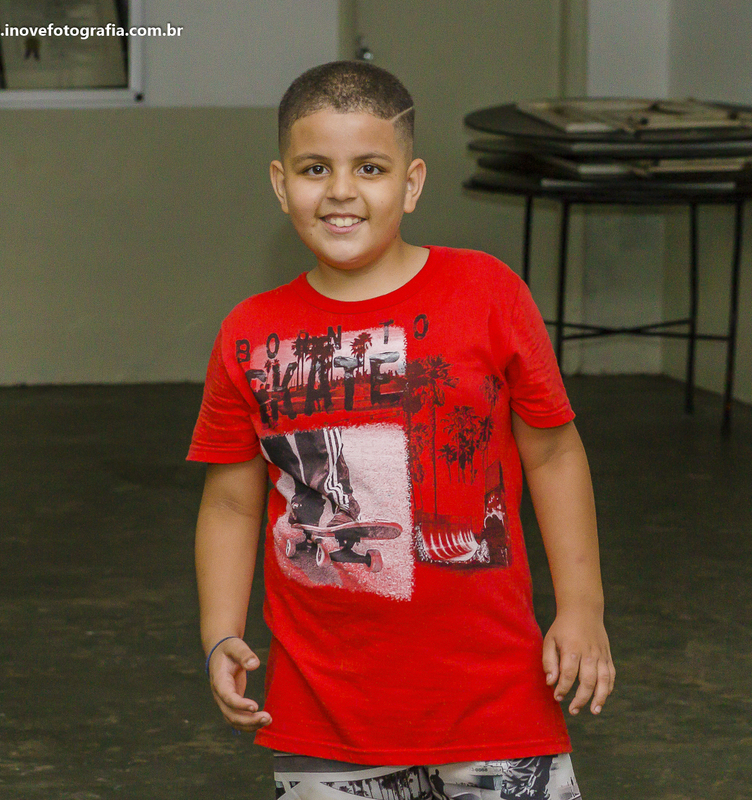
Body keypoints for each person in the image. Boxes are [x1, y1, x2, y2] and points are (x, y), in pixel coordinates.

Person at [189, 60, 614, 797]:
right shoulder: (249, 334)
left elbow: (552, 455)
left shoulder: (488, 294)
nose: (341, 190)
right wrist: (218, 632)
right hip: (326, 711)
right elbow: (230, 502)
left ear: (411, 184)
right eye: (315, 168)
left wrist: (583, 609)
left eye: (370, 168)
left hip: (495, 700)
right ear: (281, 184)